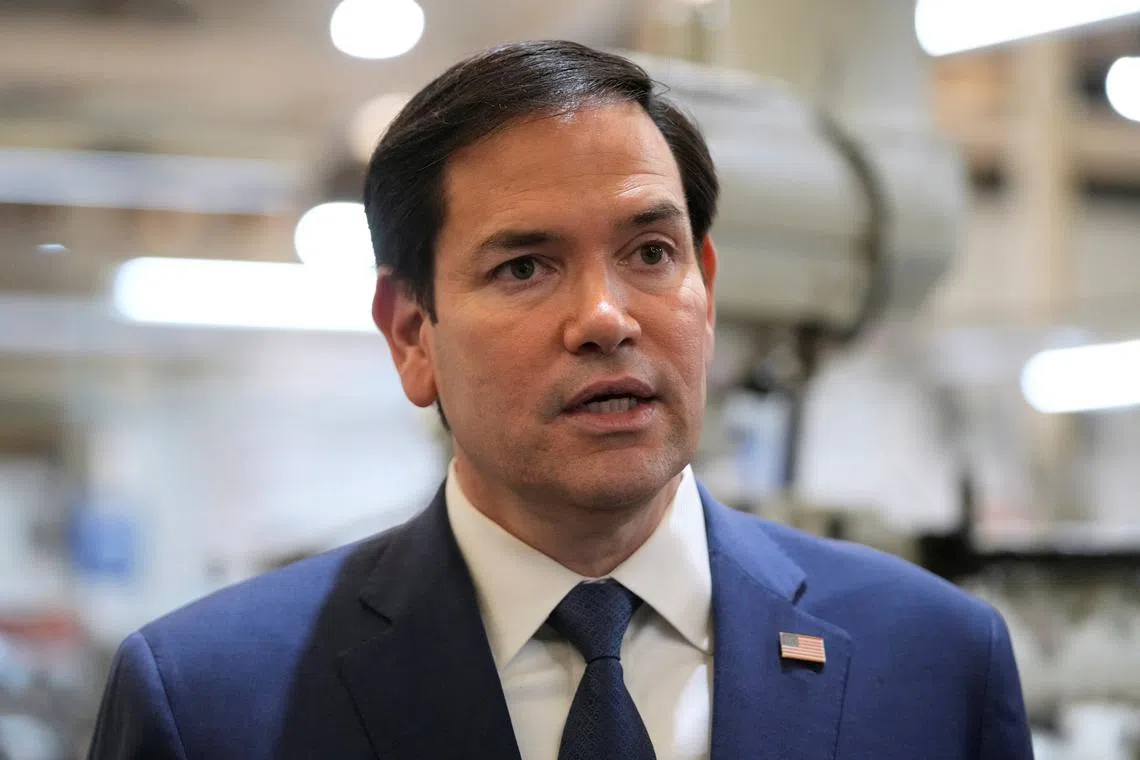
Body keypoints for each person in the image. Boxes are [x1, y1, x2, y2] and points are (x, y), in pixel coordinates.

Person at [87, 41, 1034, 760]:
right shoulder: (212, 704)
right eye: (526, 265)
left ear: (706, 284)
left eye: (650, 254)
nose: (606, 318)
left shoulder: (933, 665)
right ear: (413, 334)